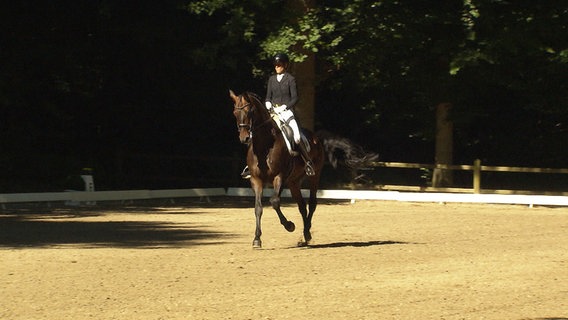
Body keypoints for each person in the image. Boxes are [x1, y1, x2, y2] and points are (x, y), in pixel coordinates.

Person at [241, 52, 315, 178]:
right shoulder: (271, 79)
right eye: (275, 65)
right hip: (272, 112)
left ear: (285, 65)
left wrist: (284, 107)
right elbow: (268, 96)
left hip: (286, 112)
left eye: (279, 65)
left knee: (296, 136)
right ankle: (250, 165)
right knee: (255, 133)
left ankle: (307, 162)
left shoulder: (290, 79)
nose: (277, 67)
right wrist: (268, 103)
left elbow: (295, 98)